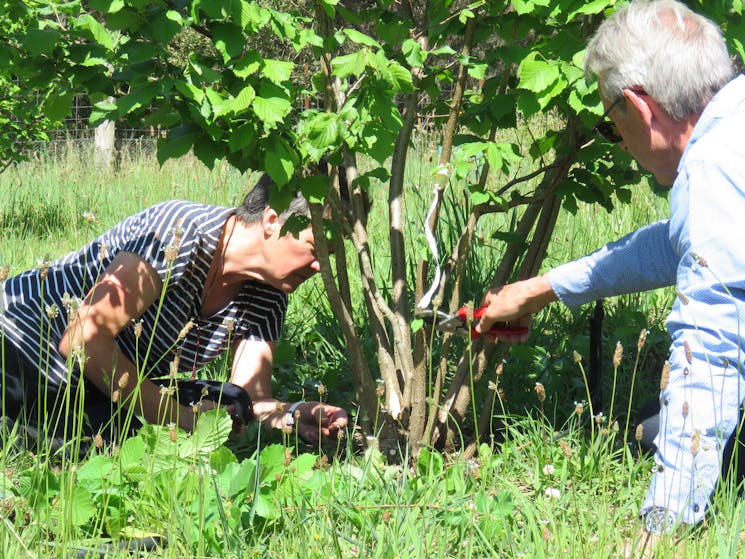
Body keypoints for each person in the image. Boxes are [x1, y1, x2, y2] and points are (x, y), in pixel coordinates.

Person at [475, 0, 744, 535]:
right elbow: (677, 247)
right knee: (654, 425)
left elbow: (709, 352)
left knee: (659, 429)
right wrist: (542, 289)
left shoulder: (713, 166)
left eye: (611, 124)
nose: (620, 144)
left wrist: (662, 524)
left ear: (640, 108)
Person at [0, 174, 348, 453]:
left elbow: (251, 398)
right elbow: (82, 339)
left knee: (231, 404)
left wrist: (294, 414)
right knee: (125, 434)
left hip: (93, 387)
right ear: (272, 220)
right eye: (315, 248)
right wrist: (183, 419)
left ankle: (53, 434)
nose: (321, 267)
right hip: (20, 351)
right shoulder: (180, 233)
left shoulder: (269, 292)